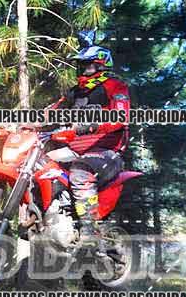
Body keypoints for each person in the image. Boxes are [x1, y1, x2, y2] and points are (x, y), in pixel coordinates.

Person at [43, 45, 130, 241]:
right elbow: (50, 113)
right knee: (41, 166)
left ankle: (89, 231)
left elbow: (121, 117)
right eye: (81, 66)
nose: (83, 70)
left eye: (88, 66)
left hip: (106, 151)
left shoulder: (115, 86)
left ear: (101, 66)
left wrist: (89, 126)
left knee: (80, 171)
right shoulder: (75, 93)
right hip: (75, 150)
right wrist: (17, 123)